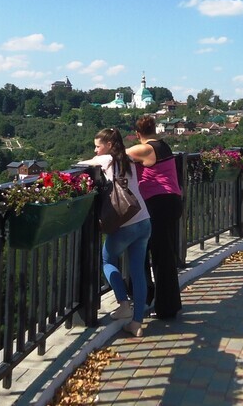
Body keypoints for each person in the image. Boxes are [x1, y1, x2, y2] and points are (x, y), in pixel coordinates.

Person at [79, 128, 151, 337]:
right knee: (138, 272)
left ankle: (123, 303)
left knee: (107, 260)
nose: (95, 149)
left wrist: (92, 159)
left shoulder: (106, 160)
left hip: (125, 223)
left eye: (98, 145)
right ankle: (137, 323)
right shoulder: (128, 158)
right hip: (144, 219)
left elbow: (81, 166)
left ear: (109, 145)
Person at [126, 115, 183, 320]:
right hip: (170, 202)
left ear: (138, 133)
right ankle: (166, 304)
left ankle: (153, 301)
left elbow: (116, 156)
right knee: (162, 254)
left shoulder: (145, 148)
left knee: (148, 252)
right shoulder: (163, 146)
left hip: (158, 204)